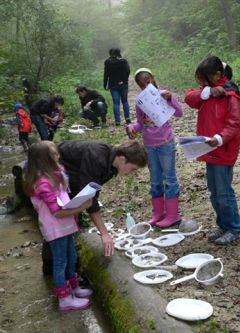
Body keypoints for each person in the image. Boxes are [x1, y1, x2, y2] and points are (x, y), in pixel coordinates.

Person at [185, 55, 240, 245]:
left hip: (223, 150)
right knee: (214, 191)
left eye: (205, 79)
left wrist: (219, 138)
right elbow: (189, 98)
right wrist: (208, 91)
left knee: (224, 191)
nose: (202, 83)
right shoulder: (208, 92)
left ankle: (236, 228)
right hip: (208, 149)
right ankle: (223, 224)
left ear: (217, 74)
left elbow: (233, 125)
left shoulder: (230, 95)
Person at [24, 141, 93, 311]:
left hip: (66, 226)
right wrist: (82, 207)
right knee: (60, 261)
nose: (58, 156)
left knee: (71, 257)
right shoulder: (43, 184)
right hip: (56, 229)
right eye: (54, 154)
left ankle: (74, 288)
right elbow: (57, 212)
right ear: (44, 160)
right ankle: (64, 298)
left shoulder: (55, 175)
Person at [58, 140, 148, 255]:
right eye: (133, 169)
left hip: (70, 178)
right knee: (59, 229)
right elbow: (88, 196)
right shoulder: (97, 158)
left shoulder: (112, 164)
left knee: (71, 222)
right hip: (50, 173)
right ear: (123, 159)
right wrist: (105, 234)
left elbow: (91, 192)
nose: (132, 173)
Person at [126, 68, 183, 228]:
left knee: (169, 179)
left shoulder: (164, 95)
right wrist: (131, 128)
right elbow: (140, 123)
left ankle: (173, 215)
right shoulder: (141, 102)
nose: (145, 83)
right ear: (138, 84)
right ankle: (159, 213)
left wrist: (171, 98)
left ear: (152, 78)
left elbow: (179, 113)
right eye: (140, 82)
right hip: (150, 145)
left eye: (147, 79)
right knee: (155, 180)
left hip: (165, 143)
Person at [103, 48, 131, 126]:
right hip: (123, 84)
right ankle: (127, 118)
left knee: (116, 103)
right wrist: (124, 80)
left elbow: (106, 74)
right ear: (119, 53)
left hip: (113, 85)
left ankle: (117, 121)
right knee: (125, 101)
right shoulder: (123, 61)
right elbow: (128, 71)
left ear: (110, 53)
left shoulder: (107, 62)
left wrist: (105, 84)